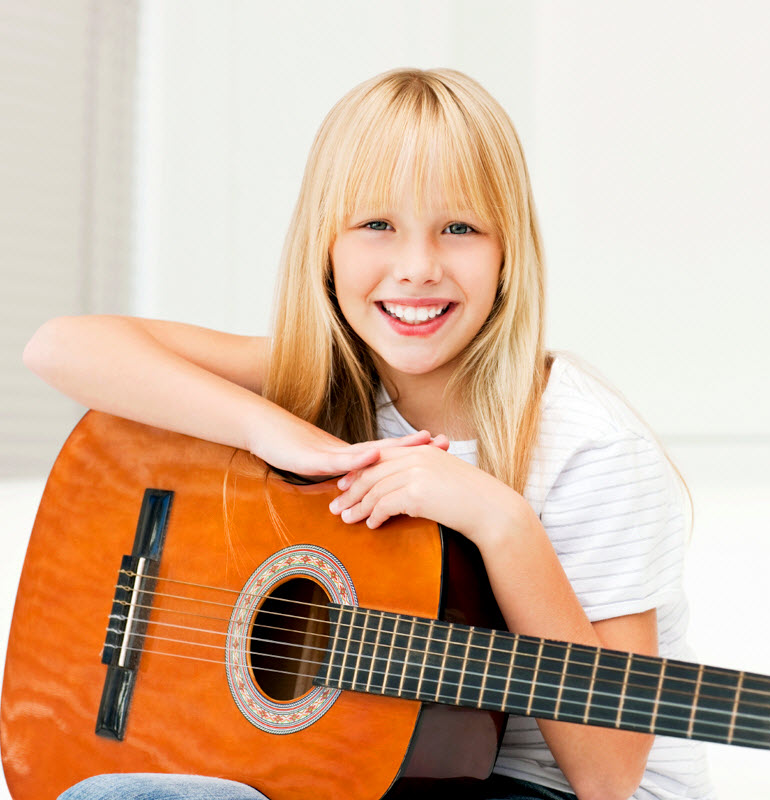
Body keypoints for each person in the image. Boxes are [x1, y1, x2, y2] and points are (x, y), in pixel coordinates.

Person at [24, 68, 714, 800]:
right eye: (377, 225)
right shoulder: (327, 380)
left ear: (509, 251)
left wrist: (500, 520)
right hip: (381, 770)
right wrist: (281, 435)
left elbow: (608, 777)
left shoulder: (589, 446)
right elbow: (60, 347)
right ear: (324, 246)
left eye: (460, 228)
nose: (417, 268)